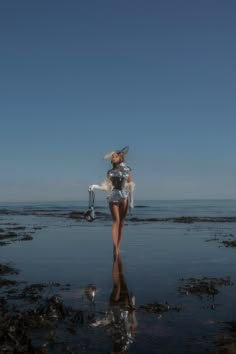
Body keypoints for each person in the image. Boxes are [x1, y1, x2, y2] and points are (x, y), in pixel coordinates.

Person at [88, 146, 135, 256]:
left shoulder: (128, 169)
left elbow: (130, 186)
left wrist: (132, 202)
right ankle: (115, 248)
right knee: (116, 222)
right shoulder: (110, 172)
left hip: (124, 197)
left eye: (115, 157)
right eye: (112, 157)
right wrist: (95, 186)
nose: (113, 158)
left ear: (120, 158)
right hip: (113, 197)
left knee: (122, 223)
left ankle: (118, 246)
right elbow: (107, 187)